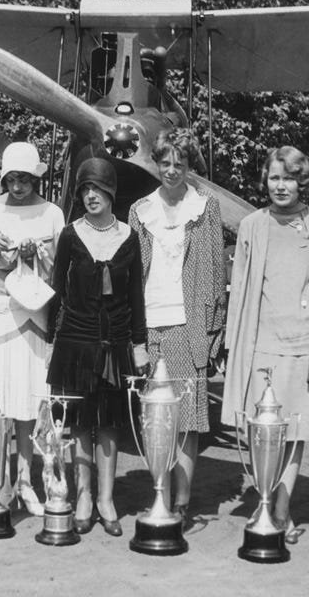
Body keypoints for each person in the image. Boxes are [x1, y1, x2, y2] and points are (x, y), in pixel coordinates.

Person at [220, 145, 309, 542]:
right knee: (260, 431)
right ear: (264, 181)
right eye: (274, 177)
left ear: (302, 181)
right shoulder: (252, 224)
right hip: (260, 342)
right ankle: (264, 499)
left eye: (289, 177)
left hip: (304, 344)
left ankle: (281, 510)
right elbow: (240, 291)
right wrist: (233, 343)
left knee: (294, 431)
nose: (281, 186)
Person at [46, 156, 149, 536]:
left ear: (111, 193)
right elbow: (57, 292)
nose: (91, 196)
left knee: (109, 426)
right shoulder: (71, 235)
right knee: (79, 422)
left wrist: (140, 344)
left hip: (116, 345)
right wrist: (48, 342)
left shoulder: (130, 237)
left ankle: (107, 499)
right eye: (85, 189)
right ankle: (84, 495)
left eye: (98, 189)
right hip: (75, 342)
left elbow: (136, 296)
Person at [129, 128, 226, 525]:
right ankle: (160, 496)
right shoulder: (139, 210)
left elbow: (216, 269)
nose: (171, 170)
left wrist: (212, 329)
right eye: (165, 163)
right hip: (151, 325)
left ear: (190, 167)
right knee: (156, 416)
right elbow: (131, 271)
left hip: (189, 324)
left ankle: (183, 502)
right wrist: (133, 332)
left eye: (180, 164)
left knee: (188, 416)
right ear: (155, 163)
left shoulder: (205, 206)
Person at [0, 141, 64, 516]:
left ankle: (27, 479)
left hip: (32, 311)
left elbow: (61, 271)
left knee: (28, 399)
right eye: (11, 179)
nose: (18, 186)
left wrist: (36, 253)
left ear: (36, 177)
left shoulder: (53, 213)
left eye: (25, 179)